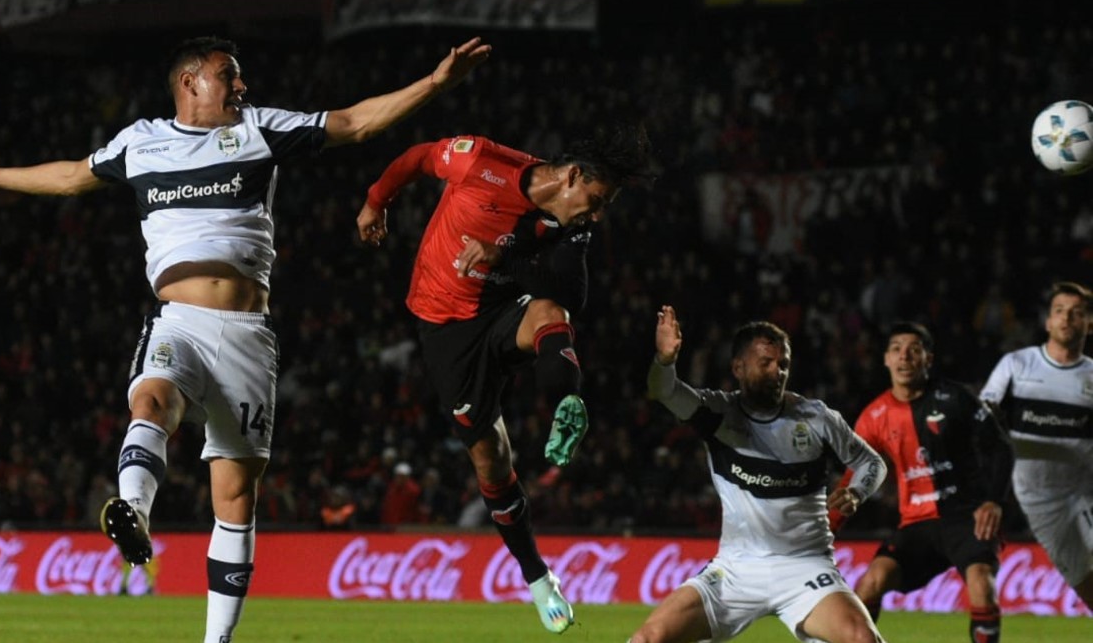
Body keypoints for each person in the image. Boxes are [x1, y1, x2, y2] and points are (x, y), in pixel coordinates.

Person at [0, 35, 491, 643]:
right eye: (227, 76)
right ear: (189, 83)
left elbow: (354, 124)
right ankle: (133, 509)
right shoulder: (141, 141)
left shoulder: (259, 130)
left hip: (246, 336)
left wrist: (434, 83)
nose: (241, 87)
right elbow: (73, 177)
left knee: (235, 496)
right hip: (177, 320)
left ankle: (217, 641)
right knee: (150, 399)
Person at [356, 122, 652, 633]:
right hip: (446, 328)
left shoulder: (571, 225)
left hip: (501, 311)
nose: (598, 215)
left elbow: (572, 294)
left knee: (551, 310)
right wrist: (376, 200)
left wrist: (506, 255)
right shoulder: (480, 163)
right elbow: (421, 155)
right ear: (573, 177)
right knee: (491, 460)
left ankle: (566, 402)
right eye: (597, 199)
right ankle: (537, 575)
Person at [636, 305, 887, 643]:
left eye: (783, 364)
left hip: (805, 566)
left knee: (862, 639)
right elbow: (664, 391)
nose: (778, 372)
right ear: (738, 367)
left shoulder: (816, 419)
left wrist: (857, 492)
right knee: (648, 639)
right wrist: (665, 361)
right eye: (766, 363)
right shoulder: (718, 414)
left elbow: (873, 464)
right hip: (736, 570)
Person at [832, 322, 1012, 643]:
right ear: (886, 359)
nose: (905, 357)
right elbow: (854, 481)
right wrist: (826, 532)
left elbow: (1000, 448)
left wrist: (993, 500)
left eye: (914, 349)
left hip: (967, 517)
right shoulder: (874, 416)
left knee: (981, 584)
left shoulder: (956, 398)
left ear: (928, 358)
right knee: (871, 582)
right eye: (897, 349)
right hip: (916, 524)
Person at [980, 280, 1093, 610]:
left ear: (1089, 323)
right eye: (1059, 311)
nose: (1067, 318)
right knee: (1084, 582)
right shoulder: (1017, 365)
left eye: (1076, 313)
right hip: (1039, 500)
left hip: (1085, 489)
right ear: (1048, 321)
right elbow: (984, 418)